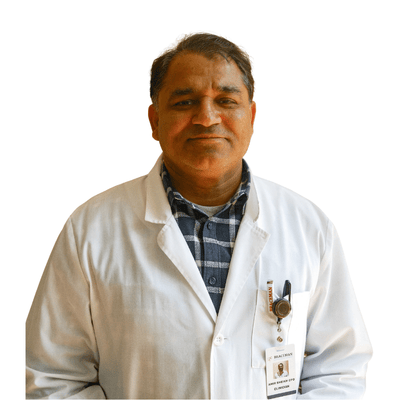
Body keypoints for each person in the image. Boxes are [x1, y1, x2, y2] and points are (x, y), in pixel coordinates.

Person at [26, 33, 372, 399]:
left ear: (251, 117)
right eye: (185, 102)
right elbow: (54, 377)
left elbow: (340, 369)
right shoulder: (90, 230)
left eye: (226, 101)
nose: (207, 118)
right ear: (154, 120)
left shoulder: (307, 227)